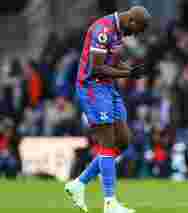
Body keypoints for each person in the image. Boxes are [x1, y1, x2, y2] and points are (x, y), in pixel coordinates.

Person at [64, 6, 151, 213]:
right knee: (108, 142)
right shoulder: (103, 30)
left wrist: (129, 70)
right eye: (136, 29)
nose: (135, 34)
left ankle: (79, 183)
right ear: (131, 20)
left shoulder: (118, 30)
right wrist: (127, 75)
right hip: (92, 87)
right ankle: (110, 203)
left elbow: (112, 61)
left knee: (122, 141)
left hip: (108, 87)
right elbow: (97, 67)